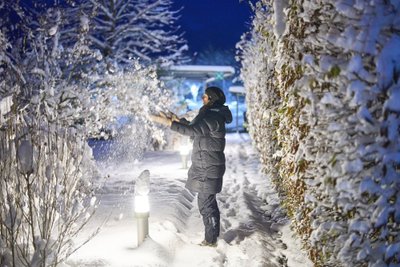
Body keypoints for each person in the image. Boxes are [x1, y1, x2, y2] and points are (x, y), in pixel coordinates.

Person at [150, 86, 232, 247]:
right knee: (207, 202)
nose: (203, 98)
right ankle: (212, 235)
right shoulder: (212, 114)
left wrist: (170, 123)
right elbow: (196, 129)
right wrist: (178, 121)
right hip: (207, 164)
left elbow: (192, 131)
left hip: (208, 165)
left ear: (212, 98)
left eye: (205, 96)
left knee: (206, 203)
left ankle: (211, 239)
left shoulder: (211, 116)